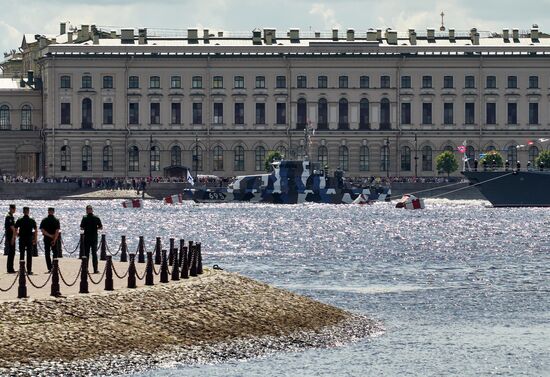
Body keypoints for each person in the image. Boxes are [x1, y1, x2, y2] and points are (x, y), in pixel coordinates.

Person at [80, 205, 103, 273]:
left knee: (86, 254)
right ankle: (95, 269)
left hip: (87, 237)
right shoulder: (96, 217)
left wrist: (86, 228)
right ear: (92, 210)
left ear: (86, 210)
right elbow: (101, 227)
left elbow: (81, 227)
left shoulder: (84, 218)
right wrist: (96, 228)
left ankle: (85, 269)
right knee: (94, 254)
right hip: (94, 237)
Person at [14, 207, 37, 275]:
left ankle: (22, 269)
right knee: (29, 255)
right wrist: (35, 238)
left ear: (23, 212)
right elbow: (36, 230)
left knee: (22, 254)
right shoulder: (31, 220)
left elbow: (15, 228)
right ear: (28, 212)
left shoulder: (20, 220)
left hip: (22, 239)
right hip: (29, 239)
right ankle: (29, 270)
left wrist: (17, 234)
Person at [39, 207, 60, 273]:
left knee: (47, 253)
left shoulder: (44, 220)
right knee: (55, 253)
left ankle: (50, 267)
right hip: (54, 238)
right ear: (53, 212)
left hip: (47, 238)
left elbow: (42, 230)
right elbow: (57, 231)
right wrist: (54, 239)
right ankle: (54, 267)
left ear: (48, 212)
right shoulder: (56, 220)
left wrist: (49, 236)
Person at [4, 204, 16, 273]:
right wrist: (13, 238)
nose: (15, 210)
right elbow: (12, 228)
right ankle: (10, 268)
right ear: (11, 209)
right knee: (11, 252)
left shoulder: (10, 216)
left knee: (12, 252)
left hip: (10, 235)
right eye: (14, 209)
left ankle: (11, 267)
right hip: (10, 236)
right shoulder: (9, 217)